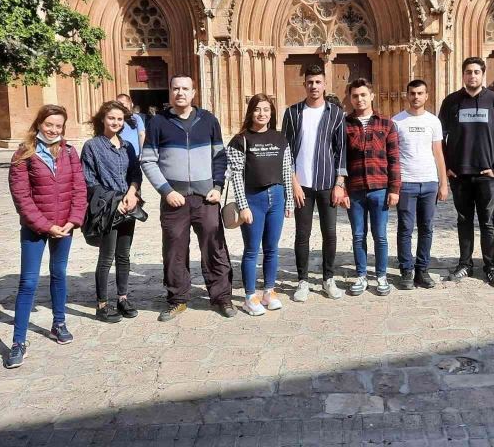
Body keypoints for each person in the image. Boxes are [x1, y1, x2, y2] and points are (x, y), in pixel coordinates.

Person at [140, 74, 235, 320]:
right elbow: (148, 160)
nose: (180, 93)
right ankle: (177, 299)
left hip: (206, 199)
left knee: (214, 248)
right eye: (176, 88)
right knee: (174, 251)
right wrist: (166, 191)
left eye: (185, 89)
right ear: (170, 92)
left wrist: (218, 186)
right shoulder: (158, 123)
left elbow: (219, 157)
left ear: (194, 92)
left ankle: (222, 297)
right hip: (175, 200)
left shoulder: (208, 120)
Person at [5, 105, 88, 368]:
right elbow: (22, 198)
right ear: (39, 123)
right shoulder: (23, 154)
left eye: (58, 126)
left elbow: (79, 189)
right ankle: (18, 341)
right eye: (49, 124)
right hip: (35, 228)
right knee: (28, 282)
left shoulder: (69, 152)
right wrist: (45, 225)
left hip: (64, 226)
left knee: (59, 273)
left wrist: (73, 220)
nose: (53, 129)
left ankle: (59, 323)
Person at [438, 57, 494, 287]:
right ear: (463, 74)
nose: (472, 76)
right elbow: (440, 138)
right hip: (460, 174)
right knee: (464, 221)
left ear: (483, 74)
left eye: (476, 72)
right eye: (468, 72)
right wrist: (448, 166)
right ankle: (465, 264)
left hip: (486, 175)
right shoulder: (451, 102)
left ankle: (491, 267)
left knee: (488, 222)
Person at [281, 64, 347, 302]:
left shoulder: (335, 113)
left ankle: (328, 278)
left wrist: (339, 184)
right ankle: (303, 281)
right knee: (302, 234)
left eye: (318, 82)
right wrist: (293, 183)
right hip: (302, 186)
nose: (314, 86)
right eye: (310, 82)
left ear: (324, 84)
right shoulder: (292, 113)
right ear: (304, 84)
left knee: (330, 233)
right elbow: (285, 151)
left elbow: (341, 151)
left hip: (327, 183)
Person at [227, 94, 294, 315]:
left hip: (277, 197)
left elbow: (286, 170)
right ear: (250, 112)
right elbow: (236, 176)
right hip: (253, 199)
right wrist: (243, 205)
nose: (262, 114)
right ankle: (249, 296)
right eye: (257, 109)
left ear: (271, 113)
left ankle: (269, 291)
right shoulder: (240, 140)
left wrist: (289, 200)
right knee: (252, 250)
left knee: (272, 248)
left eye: (266, 109)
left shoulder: (280, 138)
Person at [81, 101, 143, 323]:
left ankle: (122, 298)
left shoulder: (128, 146)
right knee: (106, 257)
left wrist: (132, 193)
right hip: (107, 208)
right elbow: (89, 180)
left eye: (119, 119)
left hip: (128, 206)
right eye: (111, 118)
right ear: (102, 119)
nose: (116, 122)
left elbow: (135, 173)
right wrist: (113, 201)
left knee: (124, 255)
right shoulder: (92, 146)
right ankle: (102, 304)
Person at [344, 78, 400, 296]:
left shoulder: (386, 124)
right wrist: (342, 189)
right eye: (355, 96)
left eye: (363, 95)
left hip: (380, 188)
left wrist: (394, 189)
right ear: (350, 98)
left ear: (372, 96)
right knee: (358, 235)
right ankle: (361, 275)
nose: (359, 99)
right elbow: (340, 160)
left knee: (380, 236)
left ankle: (381, 276)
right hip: (355, 189)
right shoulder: (344, 124)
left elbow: (394, 158)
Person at [392, 79, 448, 289]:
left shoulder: (433, 121)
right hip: (406, 182)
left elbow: (438, 153)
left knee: (427, 228)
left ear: (426, 96)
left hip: (429, 182)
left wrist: (443, 183)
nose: (416, 97)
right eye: (412, 93)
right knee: (405, 228)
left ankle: (422, 270)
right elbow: (393, 155)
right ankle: (406, 270)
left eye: (420, 93)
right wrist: (394, 185)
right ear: (407, 95)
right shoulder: (397, 121)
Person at [116, 93, 146, 157]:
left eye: (123, 104)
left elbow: (141, 135)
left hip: (134, 153)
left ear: (131, 104)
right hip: (119, 153)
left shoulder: (136, 118)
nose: (121, 107)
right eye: (118, 104)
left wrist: (142, 153)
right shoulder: (116, 119)